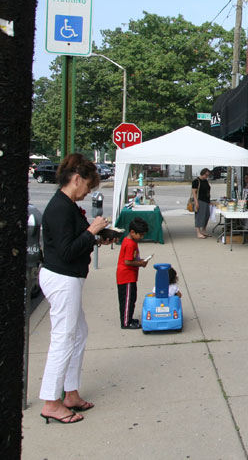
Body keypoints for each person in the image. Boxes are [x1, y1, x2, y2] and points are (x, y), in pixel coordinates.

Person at [38, 154, 111, 424]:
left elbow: (73, 243)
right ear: (76, 179)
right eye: (88, 186)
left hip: (68, 276)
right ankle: (51, 401)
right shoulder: (60, 207)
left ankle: (70, 394)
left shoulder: (66, 206)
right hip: (62, 277)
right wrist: (91, 232)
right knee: (64, 337)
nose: (88, 192)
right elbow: (67, 250)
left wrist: (94, 237)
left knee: (77, 334)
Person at [116, 217, 150, 329]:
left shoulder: (131, 241)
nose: (141, 237)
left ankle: (129, 318)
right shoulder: (130, 244)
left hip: (130, 276)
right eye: (140, 235)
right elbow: (127, 261)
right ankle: (126, 322)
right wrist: (141, 263)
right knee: (127, 300)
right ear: (132, 232)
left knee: (131, 298)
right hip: (126, 276)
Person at [192, 168, 212, 238]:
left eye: (208, 175)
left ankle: (203, 230)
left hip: (206, 200)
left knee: (207, 215)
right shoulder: (196, 181)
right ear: (202, 173)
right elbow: (194, 193)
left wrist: (209, 200)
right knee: (199, 216)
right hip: (200, 200)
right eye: (206, 175)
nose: (207, 176)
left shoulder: (205, 181)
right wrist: (196, 202)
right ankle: (198, 232)